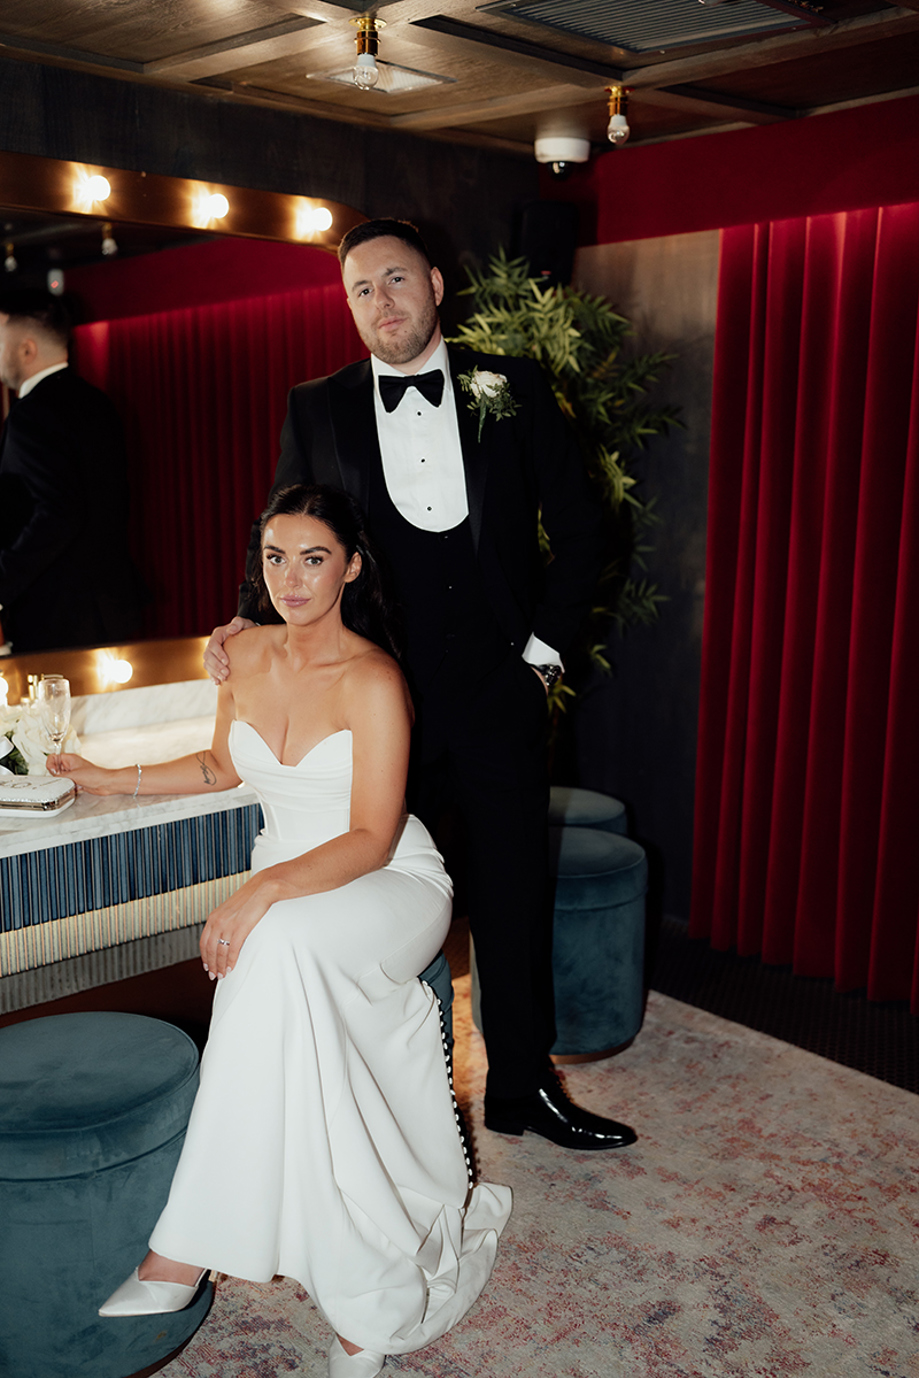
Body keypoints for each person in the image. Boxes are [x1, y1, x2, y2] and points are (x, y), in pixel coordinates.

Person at [50, 484, 511, 1378]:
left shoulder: (375, 679)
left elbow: (372, 836)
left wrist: (258, 894)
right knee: (279, 959)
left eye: (312, 558)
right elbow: (223, 765)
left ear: (351, 567)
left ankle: (179, 1255)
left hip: (387, 881)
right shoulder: (242, 654)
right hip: (297, 888)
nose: (291, 578)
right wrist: (109, 773)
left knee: (278, 942)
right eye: (274, 557)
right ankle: (357, 1306)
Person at [205, 219, 636, 1152]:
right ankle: (413, 1110)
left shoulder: (511, 386)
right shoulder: (316, 405)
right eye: (362, 289)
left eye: (396, 280)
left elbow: (584, 529)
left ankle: (523, 1089)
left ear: (436, 284)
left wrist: (542, 659)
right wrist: (247, 617)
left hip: (499, 693)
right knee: (394, 902)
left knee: (513, 894)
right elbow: (284, 529)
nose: (381, 303)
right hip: (379, 704)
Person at [0, 289, 144, 652]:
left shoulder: (30, 414)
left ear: (26, 349)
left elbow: (58, 512)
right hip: (107, 603)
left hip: (54, 611)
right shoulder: (98, 402)